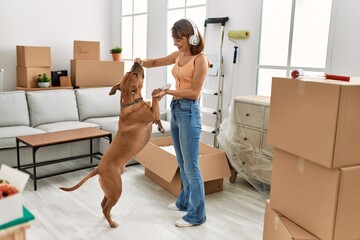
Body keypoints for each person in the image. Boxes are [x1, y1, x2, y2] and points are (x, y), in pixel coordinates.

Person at [134, 19, 208, 227]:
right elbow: (157, 62)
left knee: (192, 165)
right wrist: (142, 62)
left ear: (192, 37)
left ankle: (197, 215)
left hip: (189, 112)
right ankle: (184, 201)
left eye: (179, 39)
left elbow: (194, 92)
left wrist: (167, 92)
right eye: (174, 39)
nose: (176, 43)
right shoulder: (180, 55)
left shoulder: (200, 60)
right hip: (176, 110)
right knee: (182, 162)